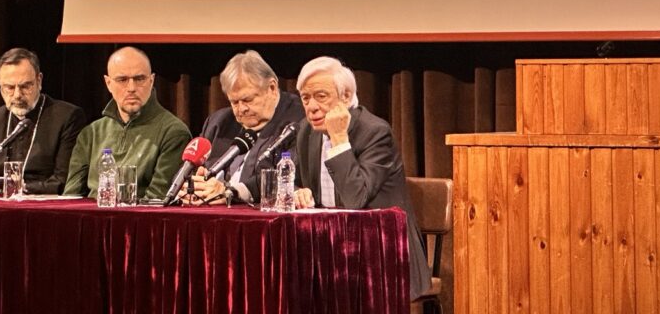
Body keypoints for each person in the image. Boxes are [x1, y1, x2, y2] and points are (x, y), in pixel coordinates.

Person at [291, 56, 432, 300]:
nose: (311, 107)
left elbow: (355, 198)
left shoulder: (375, 132)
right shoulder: (306, 131)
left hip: (380, 253)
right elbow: (295, 179)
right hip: (330, 248)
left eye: (321, 96)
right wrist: (297, 191)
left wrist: (339, 139)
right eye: (305, 98)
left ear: (346, 97)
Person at [63, 46, 191, 200]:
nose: (131, 88)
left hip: (140, 215)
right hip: (89, 213)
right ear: (108, 83)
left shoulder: (174, 133)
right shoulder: (91, 133)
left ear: (151, 81)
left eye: (139, 79)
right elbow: (71, 197)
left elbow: (156, 201)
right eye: (122, 80)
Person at [182, 50, 304, 204]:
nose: (241, 109)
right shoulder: (218, 123)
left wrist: (229, 192)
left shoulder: (298, 121)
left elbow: (284, 178)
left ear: (272, 88)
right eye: (234, 102)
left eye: (248, 100)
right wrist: (192, 185)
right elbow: (187, 173)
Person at [0, 47, 87, 195]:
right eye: (9, 87)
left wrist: (19, 188)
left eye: (25, 86)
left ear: (39, 81)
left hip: (46, 203)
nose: (17, 95)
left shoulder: (67, 117)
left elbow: (63, 181)